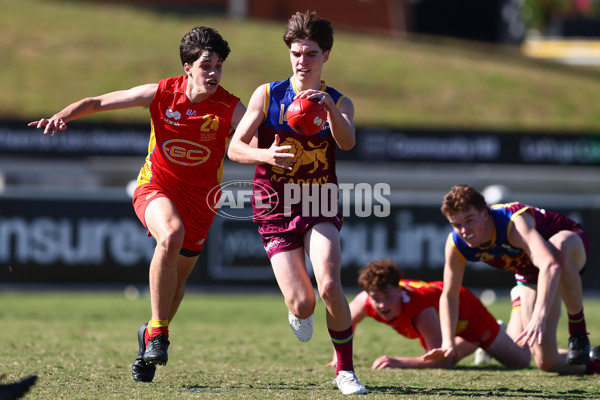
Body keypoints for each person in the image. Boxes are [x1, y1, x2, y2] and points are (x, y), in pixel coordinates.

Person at [28, 26, 246, 383]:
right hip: (155, 187)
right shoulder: (161, 93)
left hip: (203, 202)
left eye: (219, 65)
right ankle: (159, 334)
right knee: (170, 235)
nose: (214, 72)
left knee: (177, 284)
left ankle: (150, 337)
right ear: (187, 66)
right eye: (206, 64)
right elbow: (99, 102)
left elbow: (263, 130)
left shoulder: (229, 106)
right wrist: (64, 114)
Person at [227, 10, 366, 395]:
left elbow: (348, 142)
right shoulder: (267, 94)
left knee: (330, 284)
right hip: (274, 204)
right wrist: (265, 157)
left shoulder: (339, 102)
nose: (302, 61)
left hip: (319, 200)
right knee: (304, 304)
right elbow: (236, 147)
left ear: (326, 57)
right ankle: (297, 310)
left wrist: (329, 109)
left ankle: (345, 371)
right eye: (297, 53)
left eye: (311, 54)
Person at [424, 184, 599, 375]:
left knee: (558, 250)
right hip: (531, 270)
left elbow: (550, 265)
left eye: (469, 220)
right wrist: (448, 342)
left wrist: (539, 316)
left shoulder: (512, 223)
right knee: (546, 361)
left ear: (485, 214)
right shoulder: (457, 244)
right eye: (457, 225)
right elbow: (449, 295)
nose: (464, 230)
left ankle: (578, 333)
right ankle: (595, 361)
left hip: (569, 242)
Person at [326, 259, 530, 370]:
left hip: (466, 312)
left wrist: (398, 362)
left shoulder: (422, 311)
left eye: (387, 295)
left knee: (519, 361)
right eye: (375, 297)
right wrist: (339, 355)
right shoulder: (365, 300)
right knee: (450, 352)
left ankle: (519, 301)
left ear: (399, 290)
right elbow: (343, 323)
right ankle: (483, 341)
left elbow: (443, 361)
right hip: (442, 314)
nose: (381, 304)